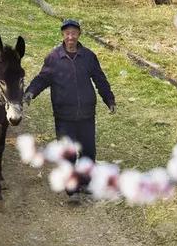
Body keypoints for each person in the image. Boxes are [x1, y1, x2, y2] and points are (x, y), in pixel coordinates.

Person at [23, 19, 116, 183]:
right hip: (64, 116)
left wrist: (109, 99)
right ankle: (71, 188)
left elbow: (100, 79)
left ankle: (87, 183)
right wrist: (31, 92)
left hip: (86, 115)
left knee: (88, 152)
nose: (70, 37)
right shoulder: (54, 58)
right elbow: (42, 78)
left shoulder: (88, 56)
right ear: (63, 35)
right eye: (67, 33)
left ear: (79, 34)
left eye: (74, 33)